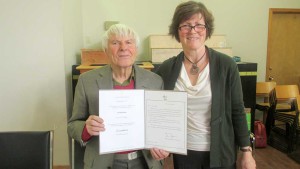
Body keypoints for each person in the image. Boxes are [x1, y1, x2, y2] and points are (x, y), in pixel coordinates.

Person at [155, 1, 256, 169]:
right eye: (186, 25)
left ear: (207, 30)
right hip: (184, 152)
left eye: (199, 25)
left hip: (221, 151)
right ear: (177, 31)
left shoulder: (226, 65)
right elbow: (156, 109)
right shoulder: (167, 68)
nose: (193, 30)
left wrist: (246, 151)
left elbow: (238, 110)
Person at [68, 24, 168, 169]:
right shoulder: (86, 81)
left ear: (136, 49)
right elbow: (72, 125)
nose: (123, 48)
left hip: (145, 161)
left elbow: (161, 124)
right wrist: (86, 128)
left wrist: (163, 144)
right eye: (115, 43)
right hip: (103, 162)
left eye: (129, 42)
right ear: (106, 50)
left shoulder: (155, 81)